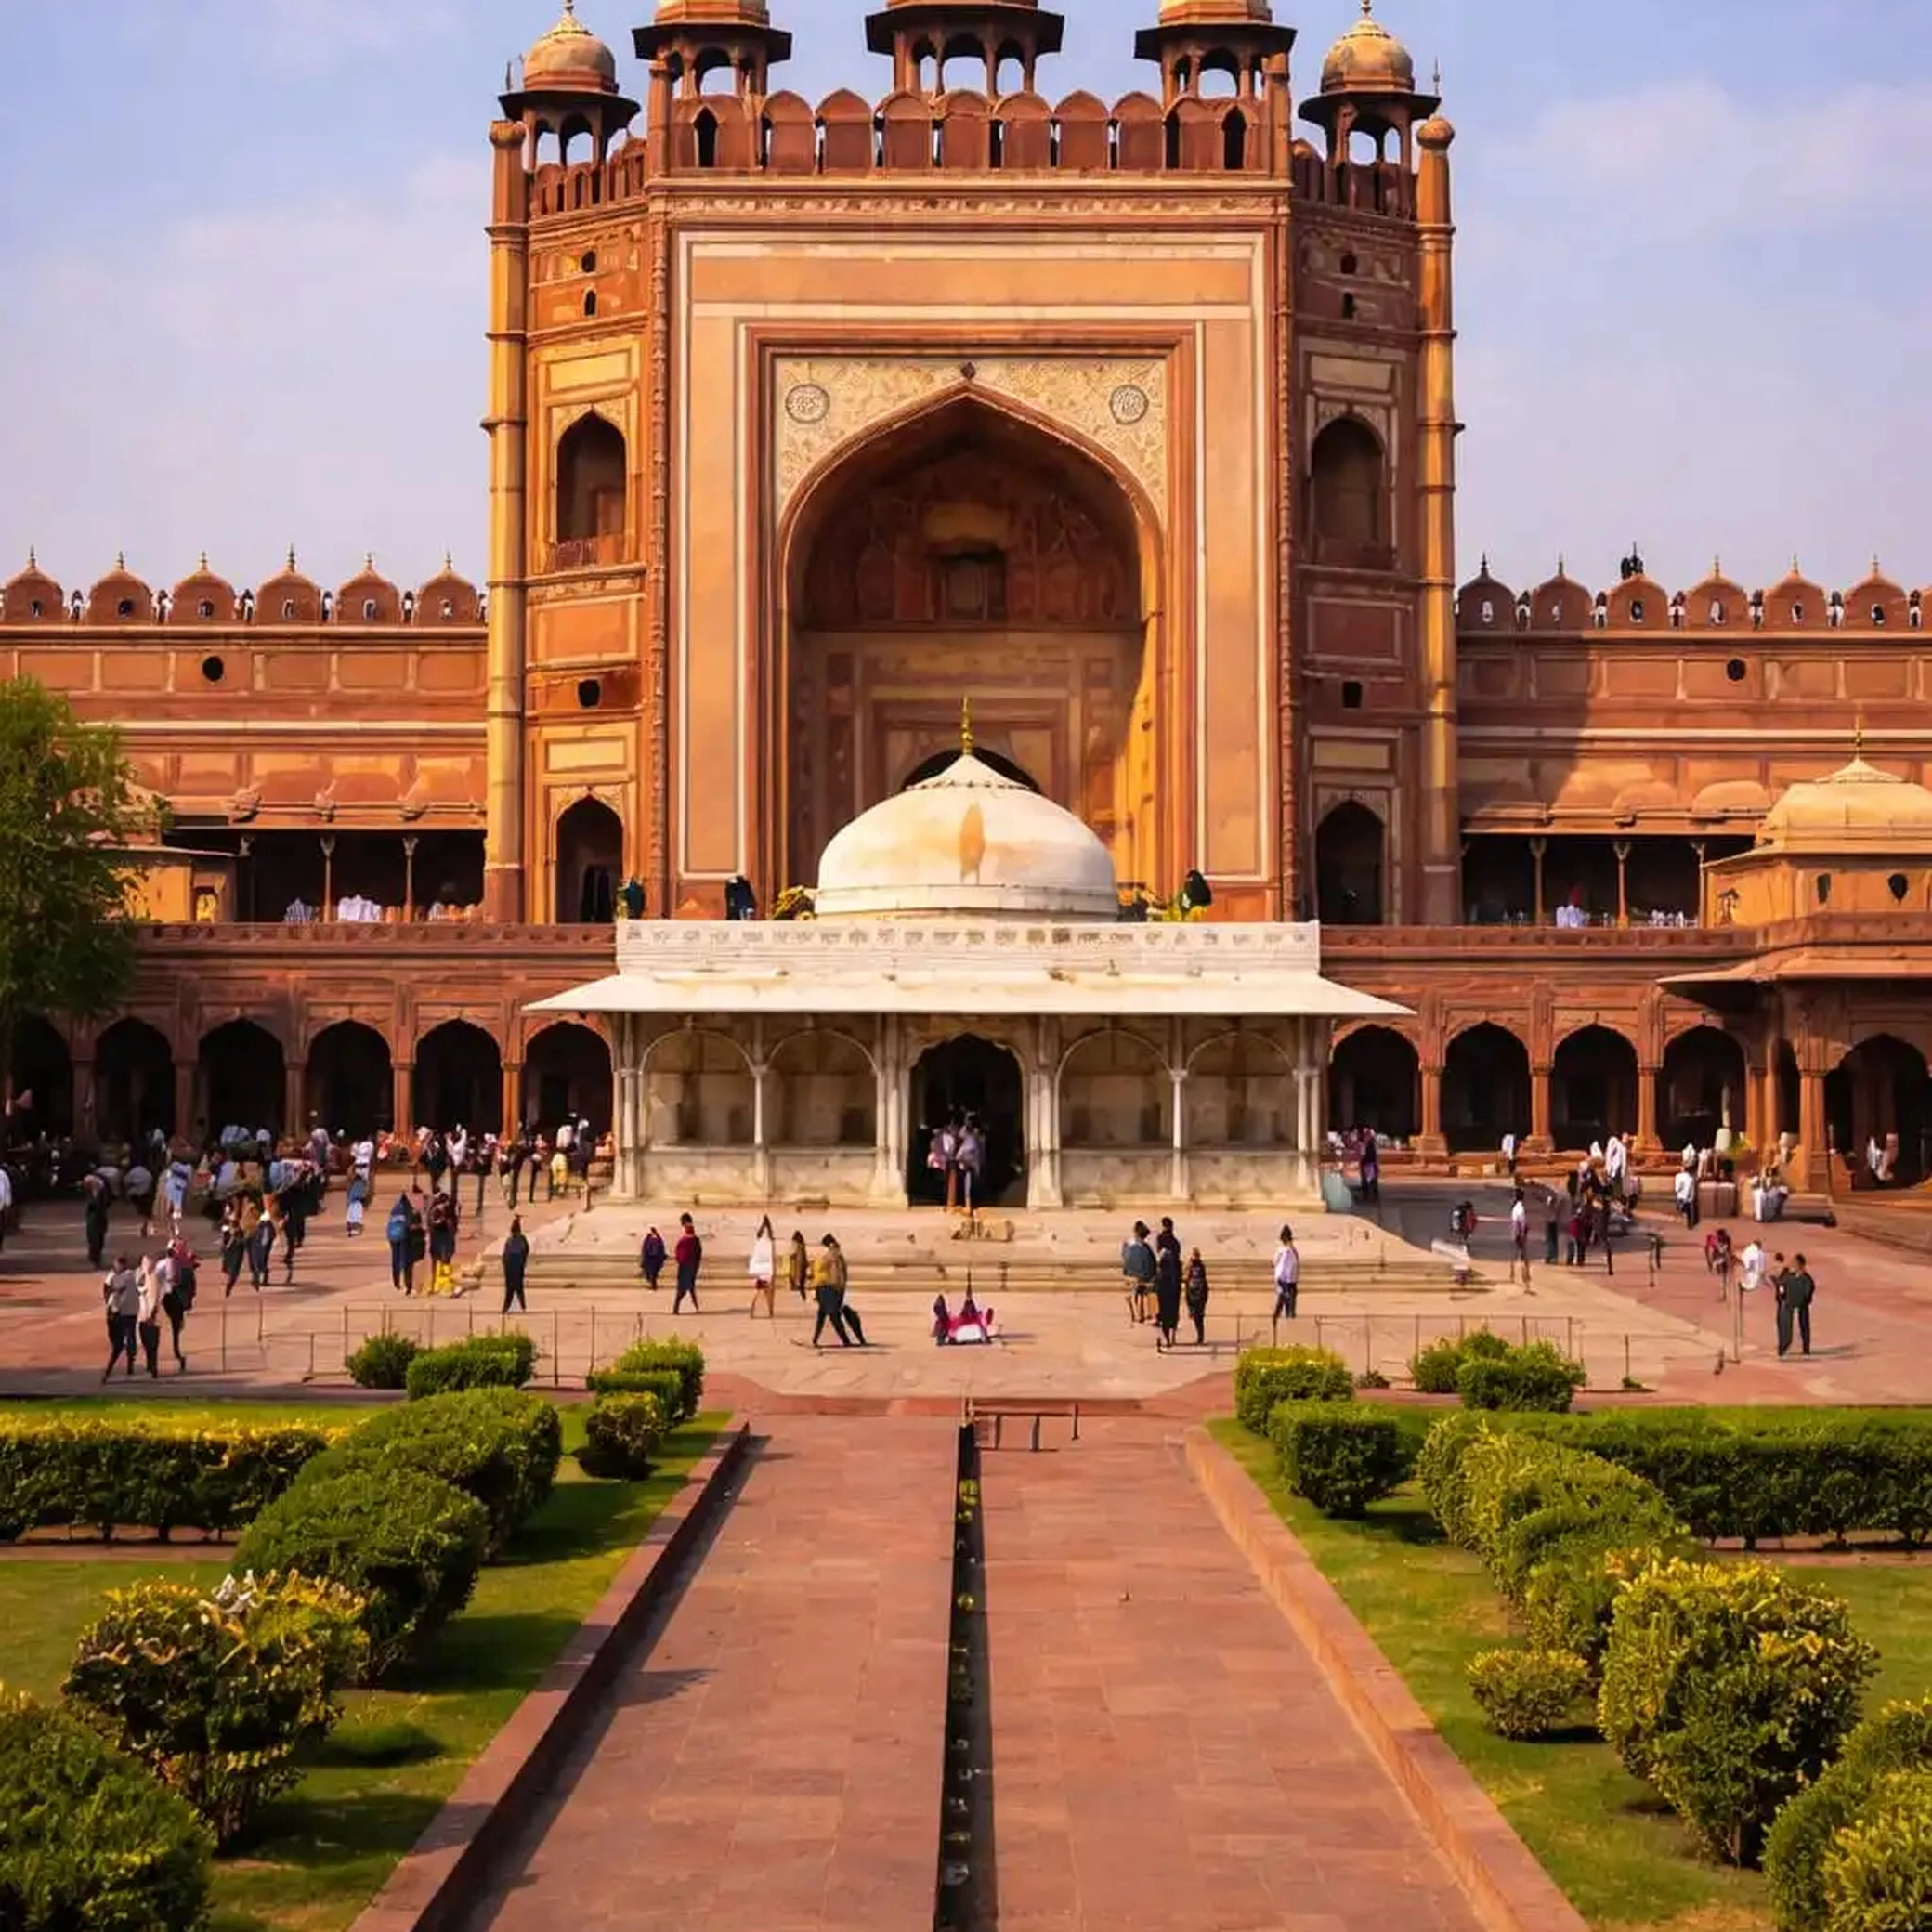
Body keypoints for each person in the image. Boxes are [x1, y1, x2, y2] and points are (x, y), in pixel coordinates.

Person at [100, 1258, 140, 1381]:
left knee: (129, 1340)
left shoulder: (130, 1275)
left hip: (128, 1313)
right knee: (118, 1342)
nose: (118, 1266)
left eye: (121, 1265)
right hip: (115, 1314)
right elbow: (106, 1288)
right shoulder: (111, 1276)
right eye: (117, 1264)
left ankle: (128, 1364)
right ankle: (126, 1358)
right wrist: (109, 1300)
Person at [811, 1234, 853, 1347]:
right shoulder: (834, 1256)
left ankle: (845, 1340)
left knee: (831, 1315)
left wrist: (839, 1291)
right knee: (822, 1314)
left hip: (829, 1288)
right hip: (825, 1289)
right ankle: (815, 1339)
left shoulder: (833, 1256)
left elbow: (839, 1275)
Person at [159, 1239, 194, 1372]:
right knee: (175, 1325)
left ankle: (177, 1352)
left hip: (174, 1299)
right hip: (169, 1298)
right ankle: (177, 1353)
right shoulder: (166, 1265)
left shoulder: (181, 1266)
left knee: (176, 1325)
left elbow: (188, 1284)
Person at [1776, 1252, 1816, 1358]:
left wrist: (1803, 1301)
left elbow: (1809, 1291)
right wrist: (1782, 1296)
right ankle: (1783, 1348)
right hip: (1789, 1305)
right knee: (1785, 1326)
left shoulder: (1807, 1279)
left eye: (1796, 1263)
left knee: (1804, 1327)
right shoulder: (1788, 1276)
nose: (1794, 1265)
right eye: (1793, 1263)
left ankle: (1806, 1350)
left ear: (1801, 1265)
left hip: (1802, 1306)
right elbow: (1781, 1286)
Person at [1121, 1221, 1156, 1325]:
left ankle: (1138, 1315)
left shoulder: (1128, 1244)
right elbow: (1151, 1261)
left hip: (1132, 1273)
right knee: (1141, 1294)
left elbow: (1125, 1258)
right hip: (1144, 1274)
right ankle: (1140, 1314)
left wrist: (1126, 1272)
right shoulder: (1145, 1247)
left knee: (1137, 1293)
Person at [136, 1255, 163, 1378]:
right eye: (144, 1263)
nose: (146, 1266)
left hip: (151, 1318)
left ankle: (153, 1368)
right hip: (142, 1315)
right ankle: (150, 1366)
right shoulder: (141, 1276)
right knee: (146, 1343)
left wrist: (151, 1315)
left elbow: (155, 1298)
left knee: (152, 1344)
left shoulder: (154, 1279)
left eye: (149, 1264)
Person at [1153, 1234, 1182, 1351]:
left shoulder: (1159, 1273)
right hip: (1172, 1298)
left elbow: (1155, 1287)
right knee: (1173, 1317)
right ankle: (1172, 1337)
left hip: (1163, 1299)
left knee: (1163, 1320)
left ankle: (1167, 1340)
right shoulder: (1175, 1270)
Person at [386, 1193, 419, 1294]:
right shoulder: (409, 1211)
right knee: (406, 1262)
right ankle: (407, 1285)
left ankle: (396, 1283)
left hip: (393, 1238)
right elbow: (412, 1226)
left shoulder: (394, 1210)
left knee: (395, 1260)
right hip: (405, 1239)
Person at [1272, 1225, 1299, 1336]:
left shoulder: (1287, 1250)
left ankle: (1282, 1320)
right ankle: (1283, 1320)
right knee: (1287, 1301)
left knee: (1285, 1301)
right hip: (1286, 1281)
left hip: (1287, 1281)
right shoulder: (1286, 1251)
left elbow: (1276, 1264)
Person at [748, 1215, 777, 1319]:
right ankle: (769, 1312)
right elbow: (771, 1257)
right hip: (767, 1270)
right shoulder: (769, 1242)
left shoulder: (759, 1241)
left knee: (758, 1292)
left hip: (760, 1270)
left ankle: (753, 1311)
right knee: (767, 1292)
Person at [673, 1213, 703, 1313]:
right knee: (690, 1287)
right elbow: (698, 1253)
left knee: (684, 1287)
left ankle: (677, 1308)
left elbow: (681, 1252)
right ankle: (695, 1307)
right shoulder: (694, 1240)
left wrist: (680, 1260)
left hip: (686, 1266)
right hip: (691, 1265)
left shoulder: (687, 1240)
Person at [502, 1215, 530, 1313]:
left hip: (511, 1266)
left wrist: (505, 1265)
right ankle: (522, 1307)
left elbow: (505, 1255)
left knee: (510, 1288)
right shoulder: (522, 1240)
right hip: (517, 1265)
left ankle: (507, 1308)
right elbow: (526, 1251)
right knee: (518, 1287)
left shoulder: (510, 1240)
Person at [1183, 1248, 1210, 1347]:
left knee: (1198, 1318)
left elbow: (1202, 1281)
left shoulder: (1200, 1267)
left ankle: (1200, 1337)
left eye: (1196, 1255)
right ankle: (1200, 1337)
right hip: (1193, 1294)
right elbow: (1187, 1279)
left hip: (1198, 1295)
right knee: (1197, 1317)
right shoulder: (1191, 1266)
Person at [1509, 1189, 1529, 1284]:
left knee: (1515, 1253)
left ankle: (1512, 1273)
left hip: (1514, 1231)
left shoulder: (1514, 1208)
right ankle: (1525, 1275)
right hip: (1519, 1233)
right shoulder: (1521, 1208)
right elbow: (1523, 1222)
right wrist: (1523, 1233)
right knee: (1523, 1254)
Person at [640, 1225, 667, 1291]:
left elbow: (645, 1248)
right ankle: (653, 1286)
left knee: (652, 1273)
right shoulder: (658, 1238)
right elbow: (661, 1248)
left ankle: (653, 1286)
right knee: (653, 1274)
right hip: (654, 1259)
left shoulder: (650, 1239)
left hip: (651, 1259)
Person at [787, 1228, 810, 1302]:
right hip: (802, 1268)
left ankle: (804, 1298)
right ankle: (804, 1298)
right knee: (801, 1285)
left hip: (799, 1269)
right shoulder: (802, 1246)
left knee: (800, 1285)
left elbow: (798, 1261)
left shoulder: (798, 1247)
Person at [1674, 1162, 1699, 1230]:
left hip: (1681, 1197)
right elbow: (1693, 1190)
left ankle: (1683, 1219)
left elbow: (1677, 1189)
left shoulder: (1678, 1176)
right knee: (1689, 1212)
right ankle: (1689, 1223)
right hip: (1689, 1199)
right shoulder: (1692, 1178)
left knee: (1682, 1209)